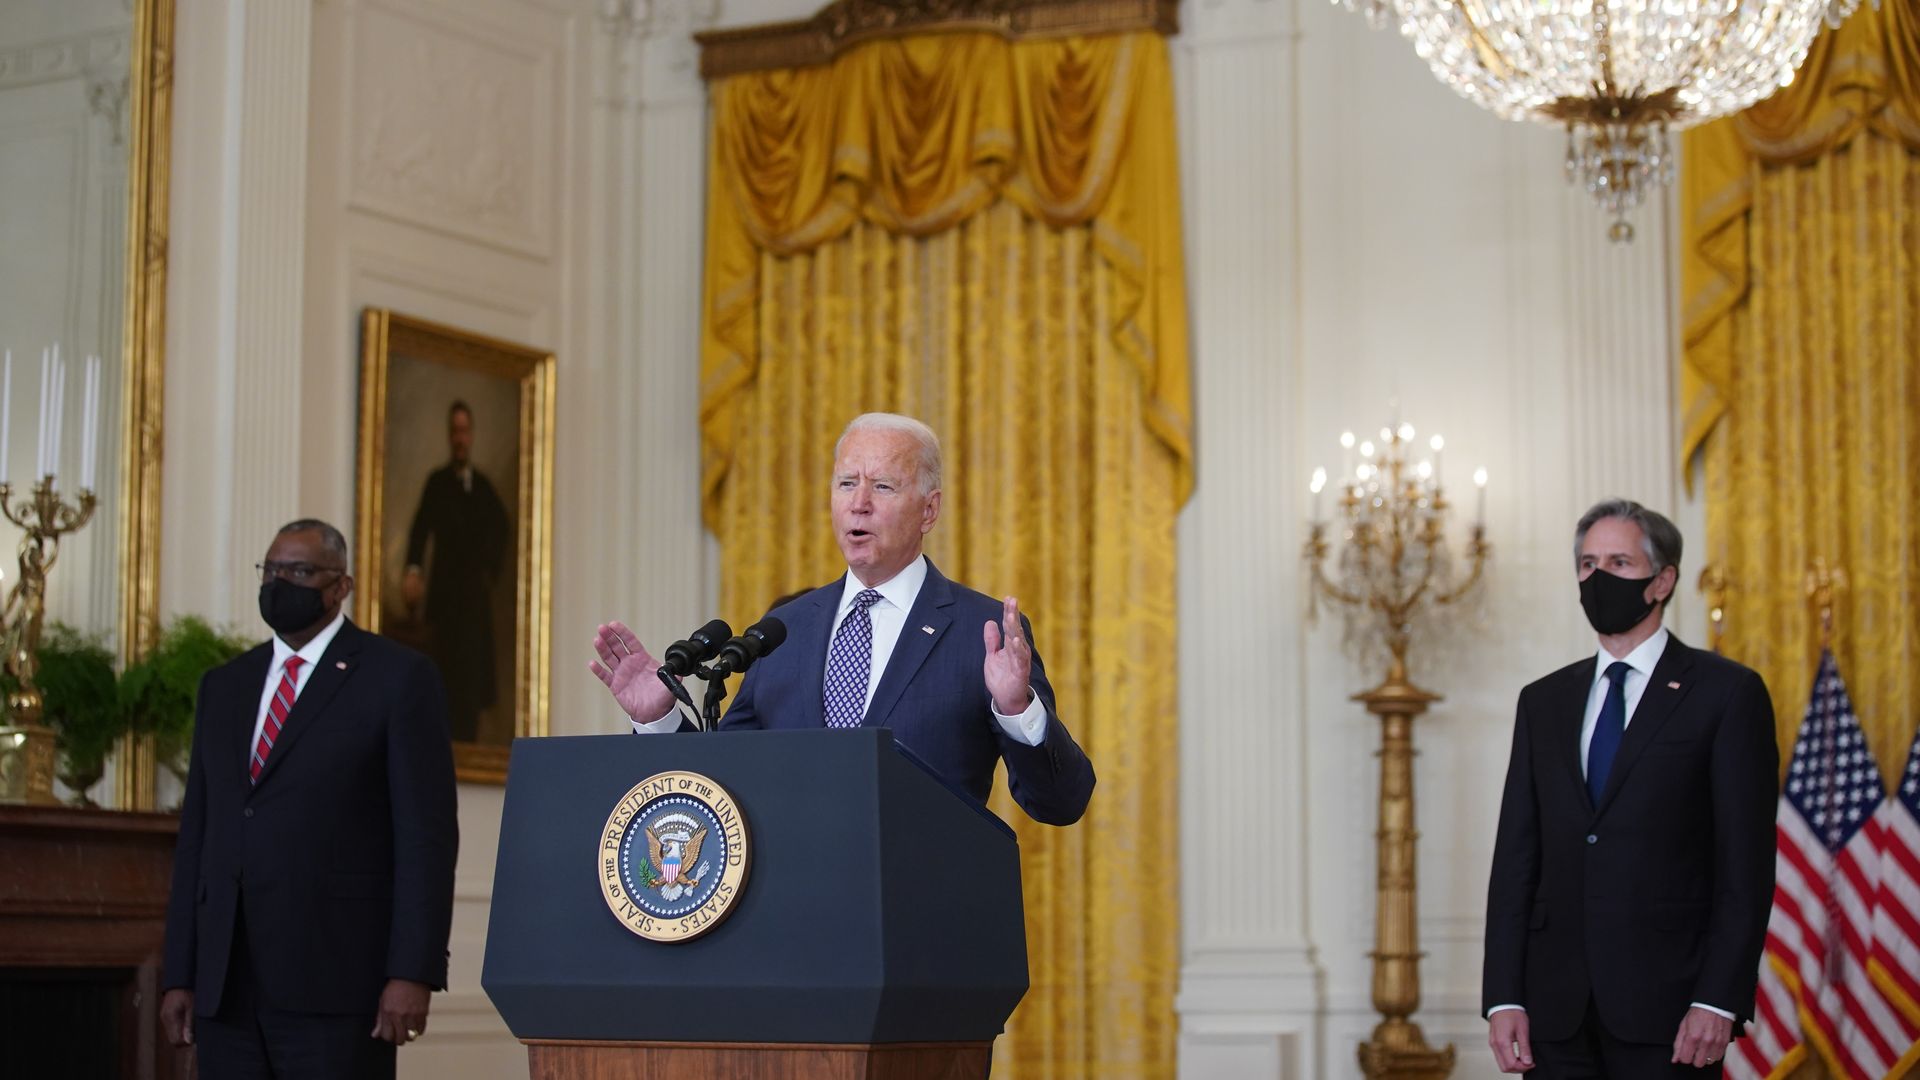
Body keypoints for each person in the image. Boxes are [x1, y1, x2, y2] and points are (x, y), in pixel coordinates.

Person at [590, 413, 1095, 826]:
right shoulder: (783, 631)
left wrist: (1017, 707)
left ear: (929, 511)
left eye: (883, 486)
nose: (859, 504)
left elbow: (1061, 803)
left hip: (919, 922)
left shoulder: (978, 632)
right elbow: (717, 792)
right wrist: (659, 718)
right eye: (846, 483)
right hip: (790, 922)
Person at [1482, 498, 1777, 1076]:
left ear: (1662, 580)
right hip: (1554, 1012)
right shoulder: (1543, 701)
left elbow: (1745, 865)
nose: (1598, 579)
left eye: (1618, 563)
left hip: (1671, 1010)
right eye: (1588, 565)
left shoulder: (1726, 693)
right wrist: (1504, 995)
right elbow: (1516, 857)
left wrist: (1718, 998)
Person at [161, 519, 459, 1079]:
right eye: (271, 570)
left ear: (340, 586)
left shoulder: (398, 678)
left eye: (299, 571)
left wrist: (412, 971)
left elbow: (426, 838)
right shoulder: (223, 686)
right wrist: (180, 972)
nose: (281, 582)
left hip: (339, 986)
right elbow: (198, 835)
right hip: (227, 986)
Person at [403, 399, 511, 742]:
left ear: (472, 435)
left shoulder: (482, 486)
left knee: (471, 681)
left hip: (474, 604)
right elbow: (420, 530)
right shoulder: (437, 482)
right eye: (455, 431)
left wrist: (487, 572)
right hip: (445, 600)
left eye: (465, 431)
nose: (460, 438)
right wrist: (414, 570)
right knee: (444, 677)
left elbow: (502, 528)